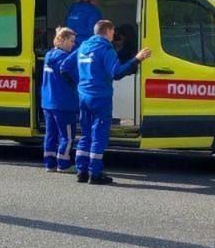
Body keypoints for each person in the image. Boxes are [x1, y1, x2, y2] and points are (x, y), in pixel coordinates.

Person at [75, 19, 152, 185]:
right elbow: (117, 72)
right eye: (112, 32)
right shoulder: (106, 49)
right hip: (100, 97)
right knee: (99, 135)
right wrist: (137, 60)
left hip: (83, 96)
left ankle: (81, 171)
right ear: (108, 32)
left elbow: (73, 69)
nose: (113, 36)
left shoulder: (83, 47)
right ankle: (95, 174)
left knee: (86, 134)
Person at [40, 27, 80, 173]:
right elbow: (74, 77)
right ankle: (64, 163)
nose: (73, 44)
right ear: (62, 40)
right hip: (64, 103)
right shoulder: (64, 58)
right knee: (67, 135)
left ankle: (49, 163)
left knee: (51, 134)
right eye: (71, 41)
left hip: (48, 102)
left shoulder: (49, 55)